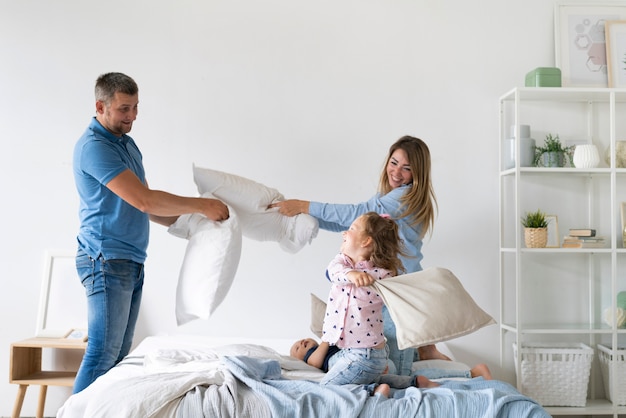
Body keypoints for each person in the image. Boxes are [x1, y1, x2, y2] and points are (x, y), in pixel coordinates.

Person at [71, 72, 229, 393]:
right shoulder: (95, 147)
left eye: (136, 107)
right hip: (104, 260)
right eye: (124, 109)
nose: (132, 116)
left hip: (129, 260)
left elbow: (141, 202)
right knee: (102, 355)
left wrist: (190, 226)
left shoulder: (126, 145)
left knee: (118, 359)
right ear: (100, 106)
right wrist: (201, 205)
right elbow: (144, 200)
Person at [270, 135, 446, 375]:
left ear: (418, 173)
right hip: (385, 286)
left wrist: (304, 205)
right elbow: (356, 221)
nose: (397, 172)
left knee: (396, 370)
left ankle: (469, 373)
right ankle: (426, 349)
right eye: (393, 163)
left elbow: (358, 213)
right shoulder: (386, 197)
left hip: (397, 289)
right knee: (390, 360)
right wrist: (309, 219)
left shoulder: (405, 197)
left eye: (407, 168)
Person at [315, 212, 404, 388]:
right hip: (353, 352)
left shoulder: (381, 275)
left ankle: (375, 394)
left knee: (324, 389)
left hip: (366, 354)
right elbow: (331, 272)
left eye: (351, 229)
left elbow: (395, 292)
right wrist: (352, 274)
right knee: (357, 380)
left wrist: (369, 277)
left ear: (366, 241)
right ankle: (404, 384)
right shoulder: (342, 263)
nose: (344, 233)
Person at [290, 336, 492, 397]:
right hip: (358, 361)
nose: (301, 343)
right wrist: (327, 338)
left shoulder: (333, 346)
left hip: (367, 358)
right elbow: (315, 362)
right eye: (297, 347)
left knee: (410, 374)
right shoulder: (314, 357)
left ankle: (471, 372)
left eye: (302, 340)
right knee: (410, 374)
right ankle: (471, 373)